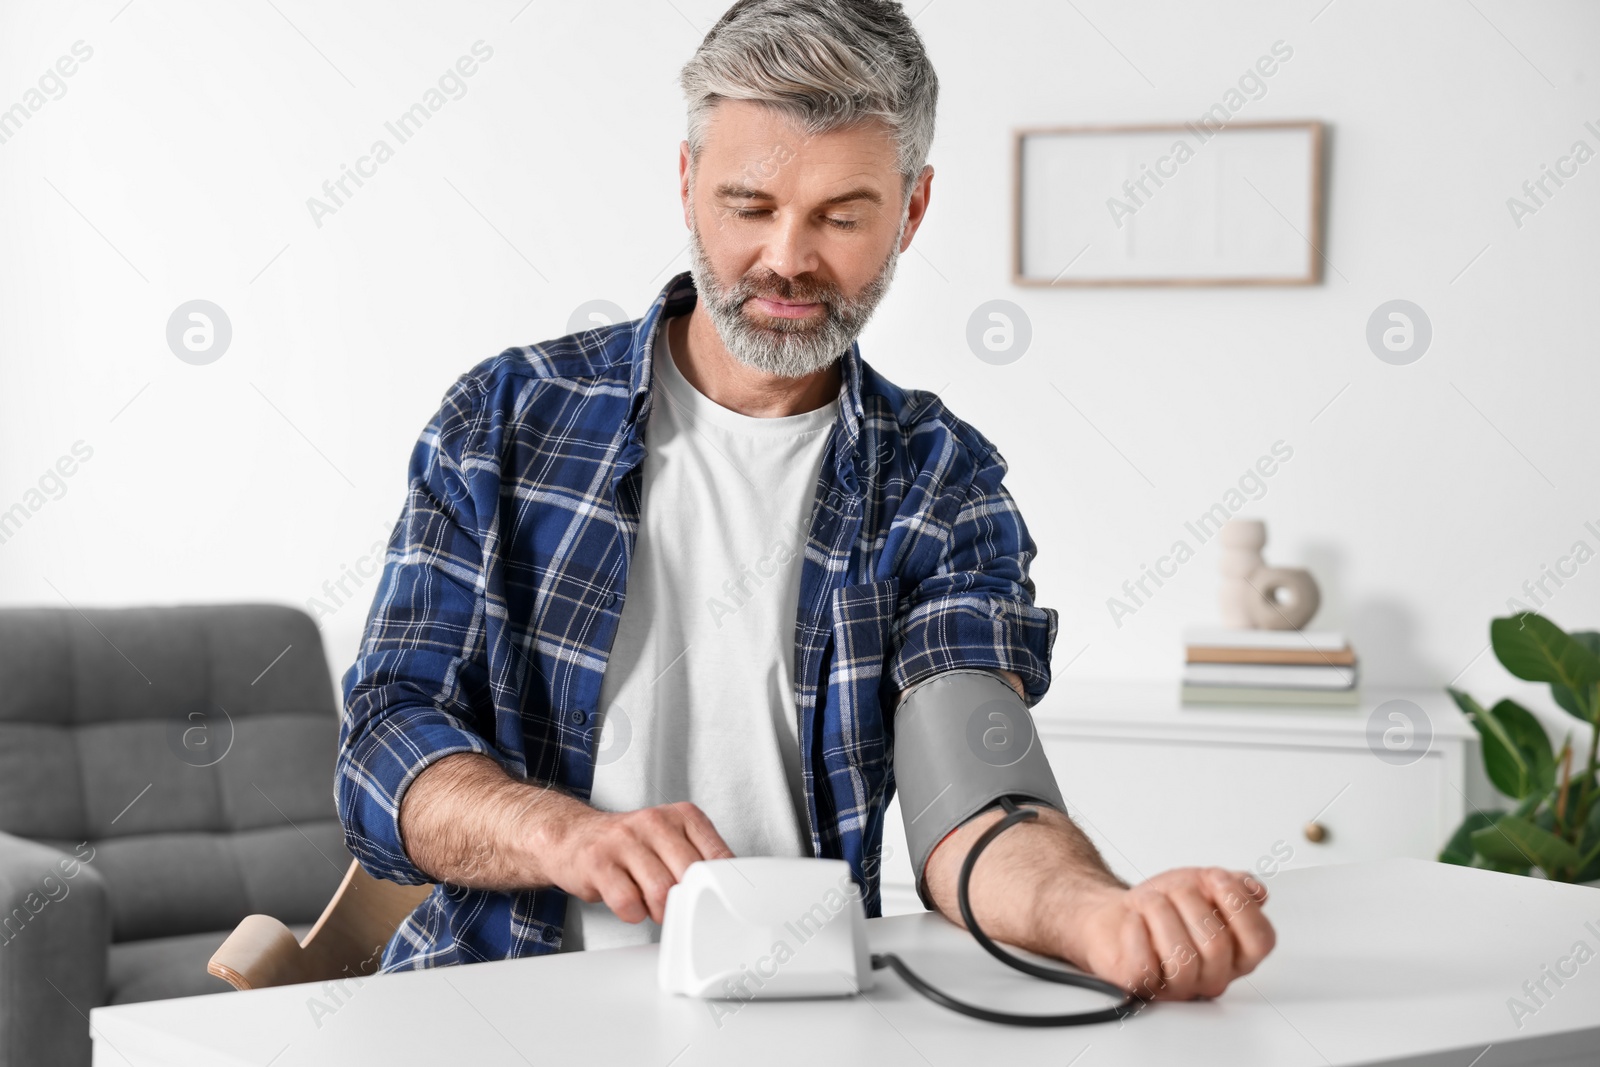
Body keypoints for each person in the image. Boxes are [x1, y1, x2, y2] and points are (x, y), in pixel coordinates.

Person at [335, 0, 1274, 1002]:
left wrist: (1095, 913)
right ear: (688, 184)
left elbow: (975, 792)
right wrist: (561, 830)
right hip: (497, 1007)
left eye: (840, 215)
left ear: (910, 210)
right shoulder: (505, 421)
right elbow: (384, 745)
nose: (787, 258)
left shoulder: (939, 481)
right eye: (749, 205)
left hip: (801, 1014)